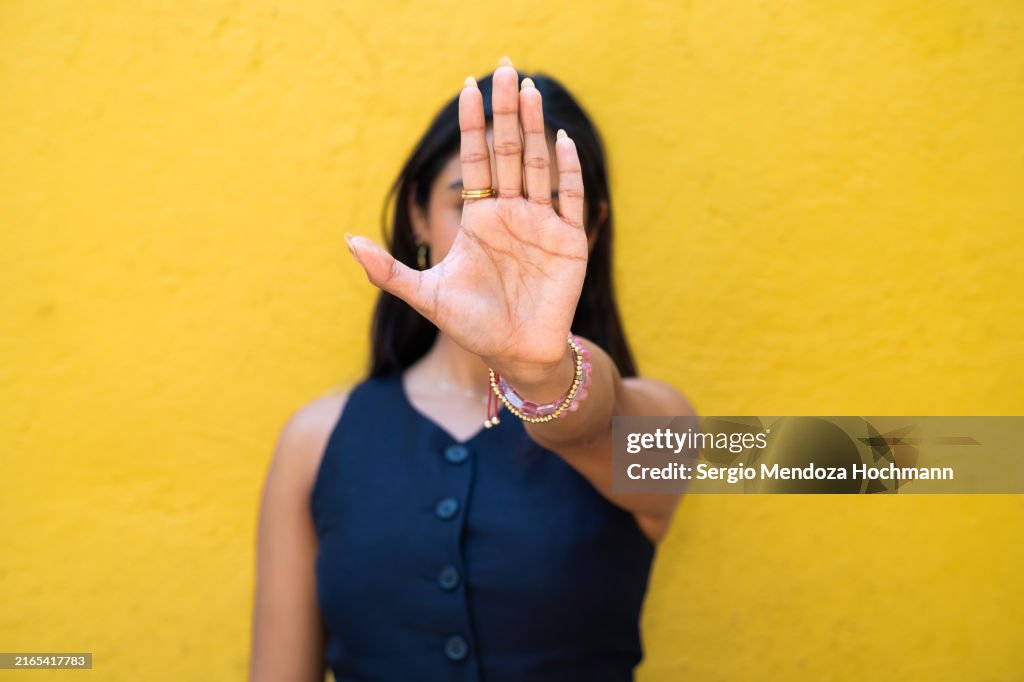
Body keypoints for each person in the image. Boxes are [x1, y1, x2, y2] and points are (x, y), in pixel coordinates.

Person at [250, 56, 696, 682]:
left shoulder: (669, 421)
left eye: (542, 205)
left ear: (590, 228)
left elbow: (596, 419)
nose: (504, 239)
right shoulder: (313, 442)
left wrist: (538, 371)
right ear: (417, 216)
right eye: (472, 201)